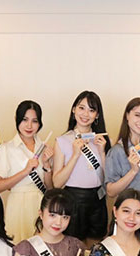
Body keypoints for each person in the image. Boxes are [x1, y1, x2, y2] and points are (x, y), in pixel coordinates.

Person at [52, 91, 111, 246]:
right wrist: (75, 155)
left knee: (95, 247)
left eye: (91, 110)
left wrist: (102, 152)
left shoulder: (101, 140)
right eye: (81, 108)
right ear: (74, 110)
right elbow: (57, 183)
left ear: (97, 115)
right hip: (72, 199)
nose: (85, 114)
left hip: (98, 199)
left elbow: (109, 180)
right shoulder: (62, 141)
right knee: (74, 248)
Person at [0, 100, 54, 243]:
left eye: (34, 121)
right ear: (17, 119)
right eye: (25, 120)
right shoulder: (5, 149)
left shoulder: (45, 148)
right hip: (17, 205)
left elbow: (50, 188)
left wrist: (47, 166)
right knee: (18, 246)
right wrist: (25, 171)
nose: (29, 126)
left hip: (41, 205)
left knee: (41, 247)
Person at [105, 98, 140, 236]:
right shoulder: (117, 151)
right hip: (129, 214)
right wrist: (133, 171)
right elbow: (110, 191)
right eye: (137, 115)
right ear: (127, 116)